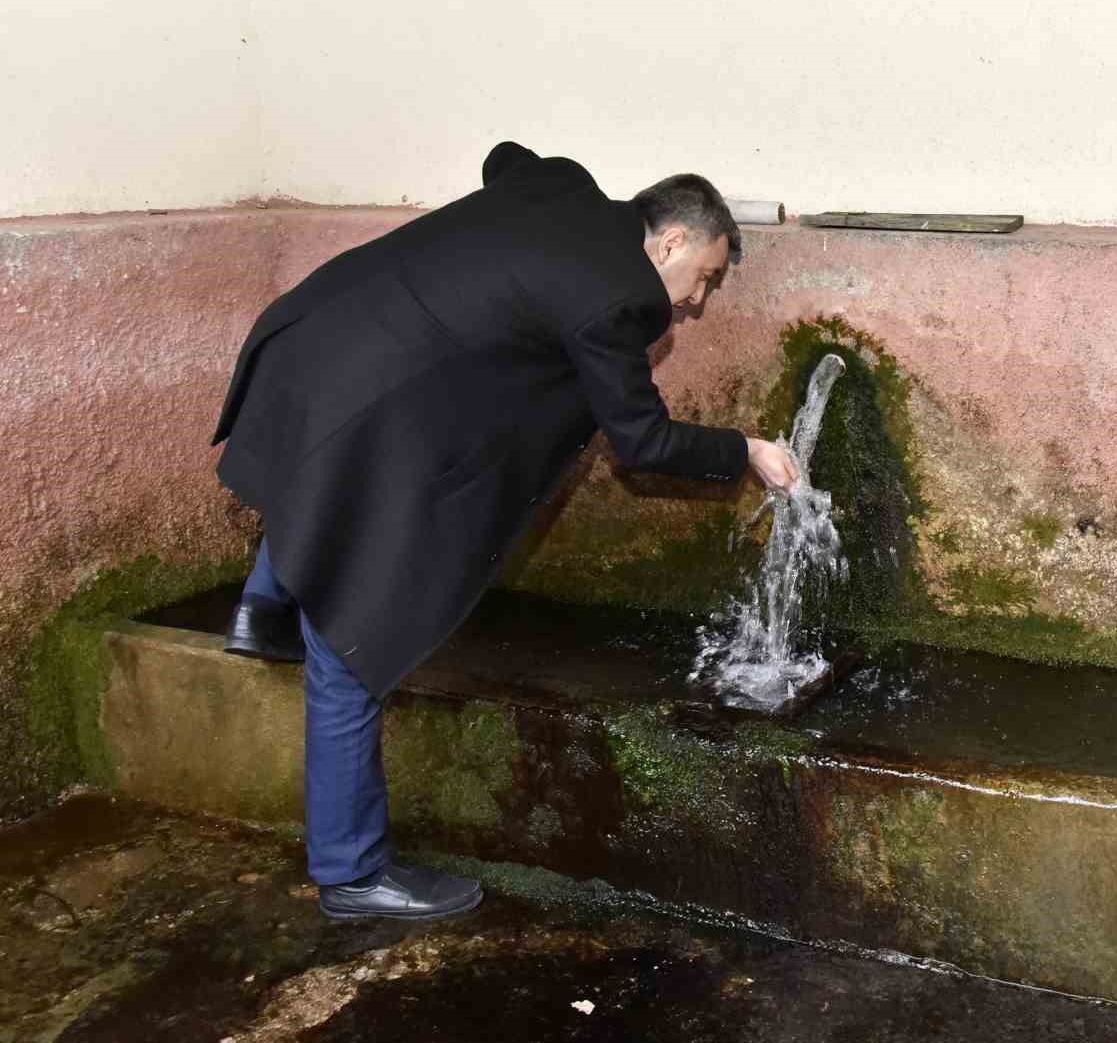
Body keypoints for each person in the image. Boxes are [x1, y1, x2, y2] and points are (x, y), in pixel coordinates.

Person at [211, 140, 798, 921]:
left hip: (308, 340)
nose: (695, 301)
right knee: (352, 644)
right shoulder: (617, 295)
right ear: (671, 241)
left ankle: (262, 603)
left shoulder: (562, 185)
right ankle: (352, 874)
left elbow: (503, 157)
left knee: (322, 493)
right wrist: (747, 450)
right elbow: (643, 442)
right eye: (706, 279)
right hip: (368, 410)